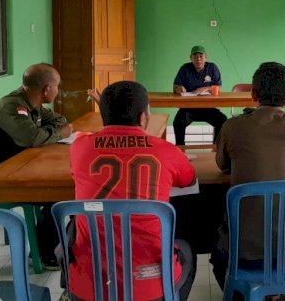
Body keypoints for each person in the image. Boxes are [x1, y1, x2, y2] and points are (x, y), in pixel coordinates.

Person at [68, 81, 197, 301]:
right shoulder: (165, 149)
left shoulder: (79, 147)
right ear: (143, 117)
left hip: (88, 288)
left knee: (73, 229)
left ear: (104, 115)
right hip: (151, 288)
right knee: (186, 250)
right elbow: (188, 180)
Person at [210, 62, 285, 288]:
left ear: (253, 94)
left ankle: (244, 292)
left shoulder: (233, 126)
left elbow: (223, 166)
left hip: (243, 249)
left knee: (216, 251)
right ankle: (279, 290)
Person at [0, 62, 74, 269]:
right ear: (46, 89)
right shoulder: (13, 106)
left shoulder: (32, 103)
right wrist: (58, 134)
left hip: (16, 166)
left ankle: (45, 246)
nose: (58, 90)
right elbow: (34, 138)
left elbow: (59, 119)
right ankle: (47, 253)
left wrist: (52, 131)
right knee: (55, 192)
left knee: (56, 188)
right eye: (57, 86)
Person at [172, 45, 227, 145]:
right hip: (188, 109)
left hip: (208, 108)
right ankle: (180, 150)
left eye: (201, 56)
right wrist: (178, 88)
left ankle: (216, 148)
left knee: (222, 120)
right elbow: (175, 86)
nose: (198, 59)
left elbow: (219, 88)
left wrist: (206, 88)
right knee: (177, 123)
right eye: (195, 56)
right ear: (191, 58)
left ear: (206, 57)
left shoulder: (212, 67)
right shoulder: (185, 68)